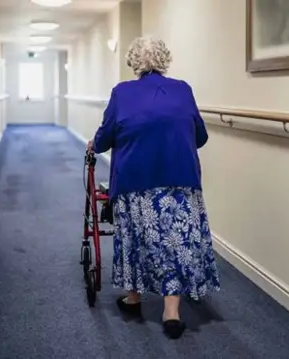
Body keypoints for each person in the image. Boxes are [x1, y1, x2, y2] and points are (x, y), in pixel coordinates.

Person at [87, 36, 220, 339]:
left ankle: (134, 298)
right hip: (180, 178)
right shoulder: (183, 90)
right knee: (176, 241)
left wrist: (95, 143)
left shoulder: (122, 93)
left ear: (134, 62)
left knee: (136, 236)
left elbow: (106, 138)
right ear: (164, 59)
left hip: (136, 180)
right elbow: (200, 136)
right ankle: (171, 312)